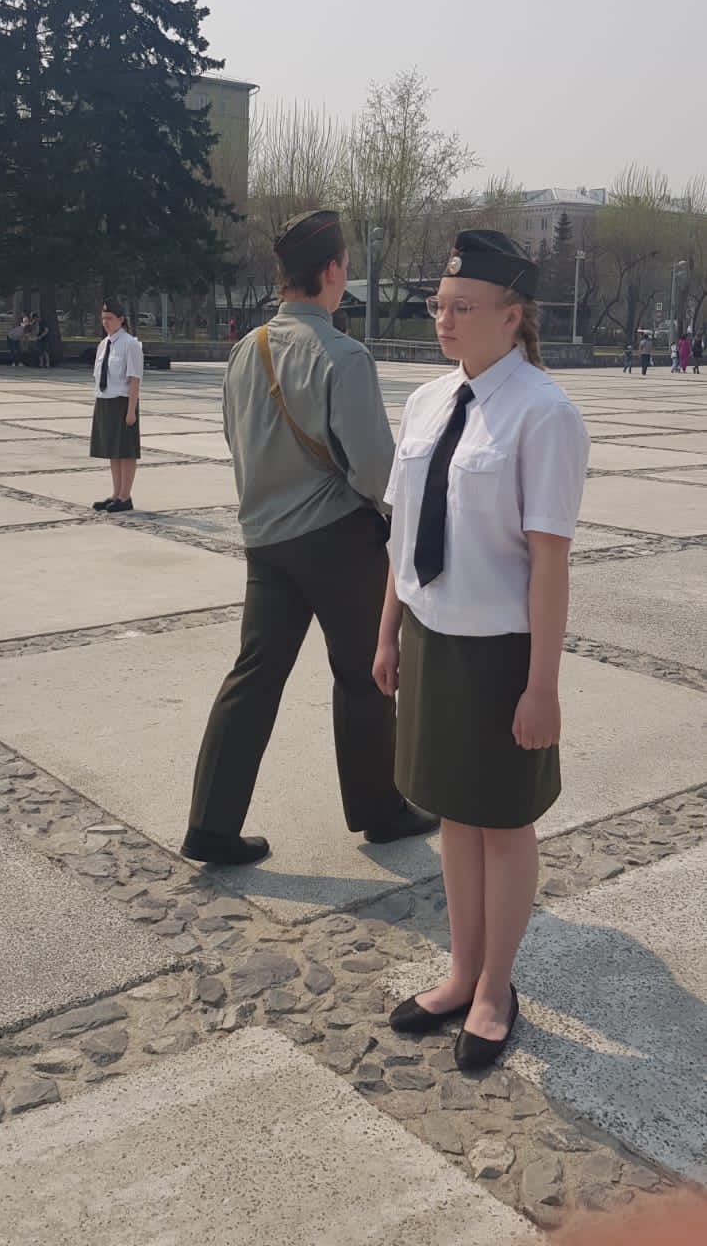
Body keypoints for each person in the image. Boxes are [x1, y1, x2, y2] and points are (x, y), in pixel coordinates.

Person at [374, 229, 589, 1070]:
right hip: (432, 636)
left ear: (512, 315)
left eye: (462, 307)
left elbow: (549, 560)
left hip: (501, 653)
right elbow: (402, 534)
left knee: (503, 822)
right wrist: (387, 632)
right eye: (439, 305)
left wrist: (543, 686)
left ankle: (497, 989)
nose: (444, 319)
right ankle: (461, 972)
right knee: (454, 816)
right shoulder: (428, 401)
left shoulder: (544, 414)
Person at [181, 208, 438, 868]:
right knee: (363, 675)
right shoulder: (343, 356)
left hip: (266, 541)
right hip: (337, 540)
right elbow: (375, 469)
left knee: (253, 677)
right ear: (330, 271)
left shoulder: (247, 349)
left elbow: (234, 438)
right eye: (345, 265)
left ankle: (210, 823)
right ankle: (378, 809)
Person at [90, 299, 143, 512]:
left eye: (110, 318)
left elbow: (134, 379)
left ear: (121, 319)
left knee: (126, 450)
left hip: (122, 402)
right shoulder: (104, 344)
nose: (106, 322)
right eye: (103, 318)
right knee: (113, 450)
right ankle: (115, 493)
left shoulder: (130, 344)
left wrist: (131, 411)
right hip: (105, 401)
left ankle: (125, 496)